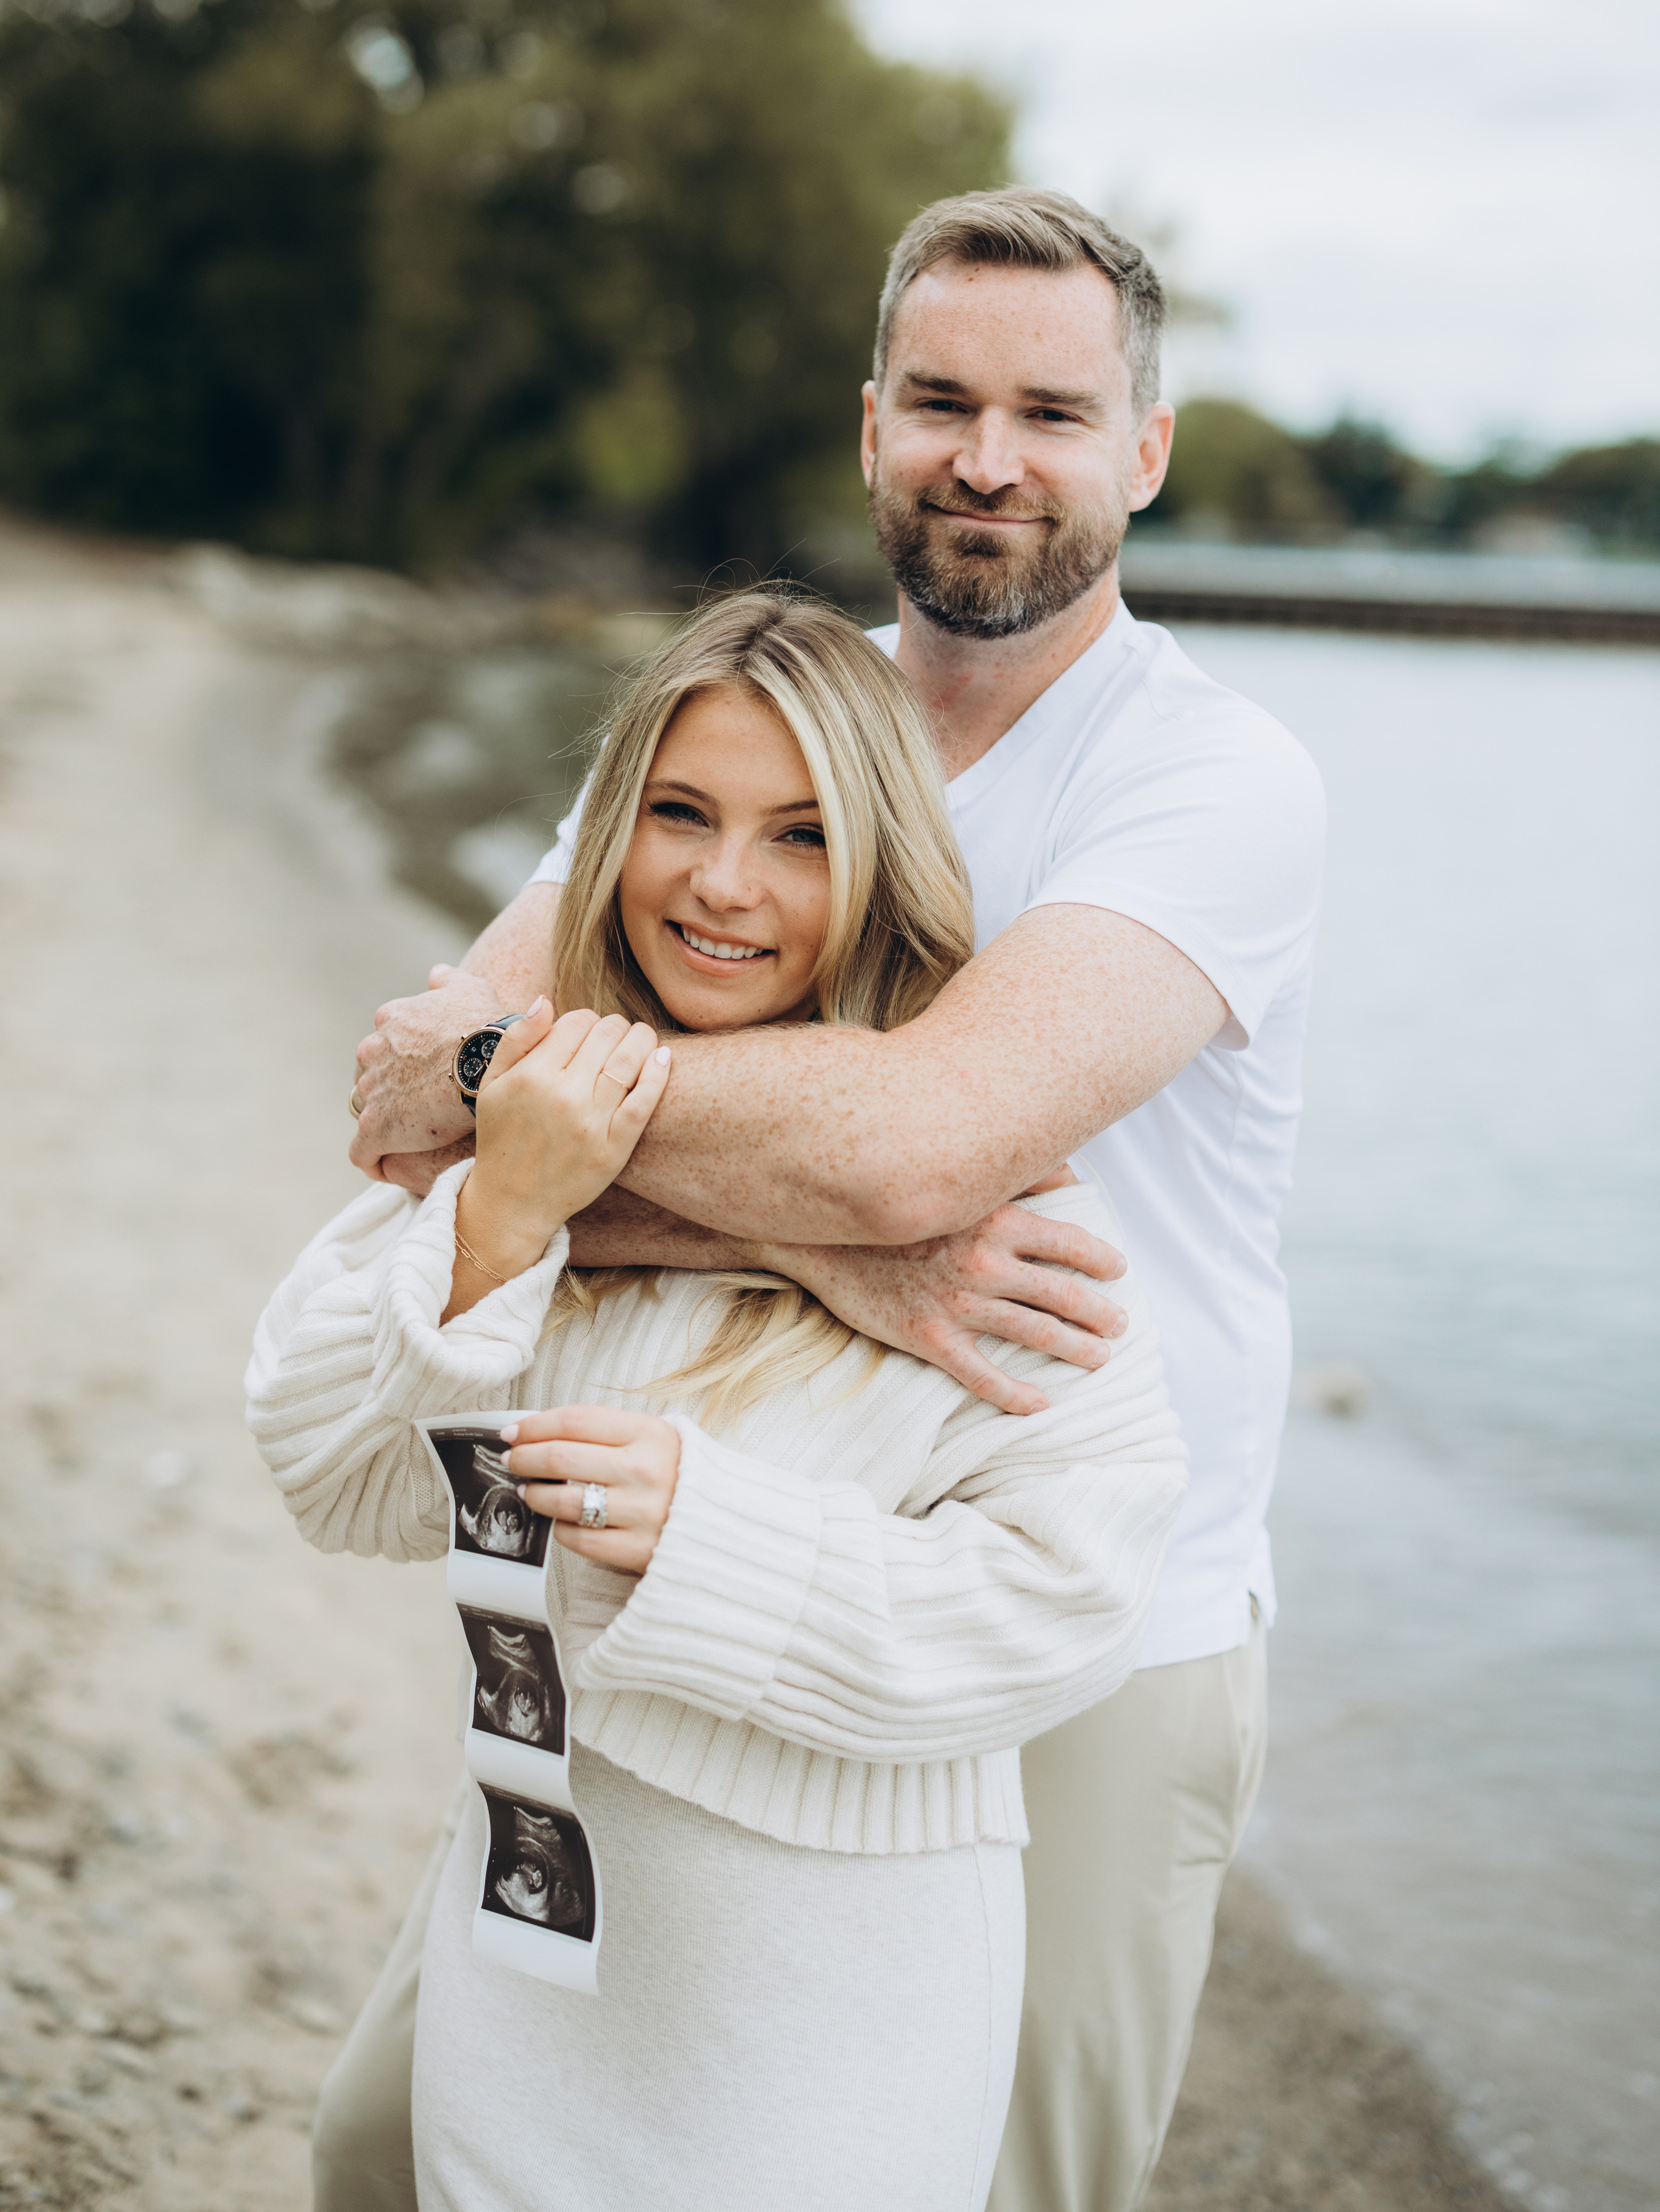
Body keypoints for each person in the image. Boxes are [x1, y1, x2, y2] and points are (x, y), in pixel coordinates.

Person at [339, 186, 1327, 2212]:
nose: (988, 458)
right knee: (394, 2148)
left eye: (1052, 413)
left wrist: (585, 1135)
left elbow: (913, 1147)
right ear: (870, 423)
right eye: (943, 400)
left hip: (1071, 1620)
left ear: (1142, 454)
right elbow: (404, 1108)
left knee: (999, 2186)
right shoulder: (737, 738)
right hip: (692, 1564)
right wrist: (817, 1239)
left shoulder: (1212, 780)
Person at [249, 591, 1186, 2212]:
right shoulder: (533, 1161)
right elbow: (337, 1480)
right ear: (610, 837)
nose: (724, 886)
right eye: (679, 814)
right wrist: (503, 1221)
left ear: (882, 867)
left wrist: (717, 1538)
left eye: (802, 837)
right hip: (531, 1956)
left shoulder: (991, 1234)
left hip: (832, 2021)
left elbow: (1072, 1601)